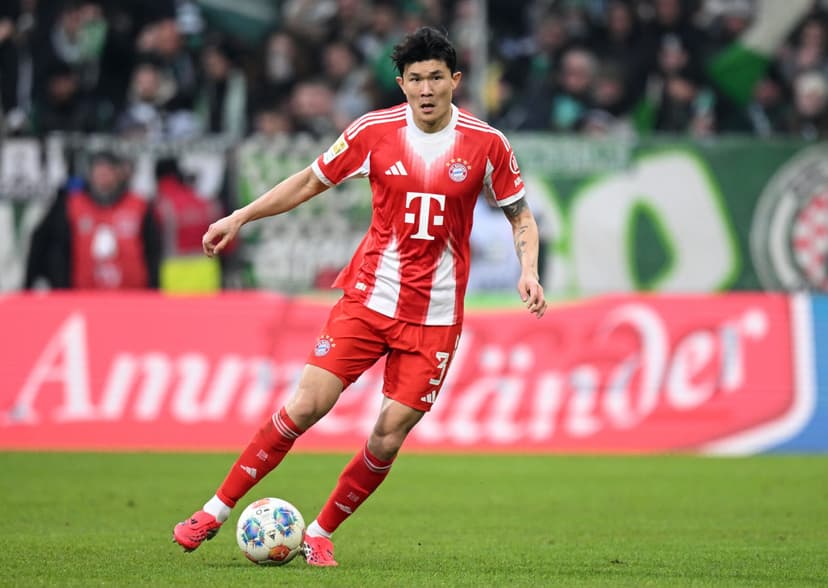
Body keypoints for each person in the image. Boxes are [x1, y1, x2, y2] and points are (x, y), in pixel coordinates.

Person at [171, 26, 548, 567]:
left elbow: (521, 216)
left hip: (435, 318)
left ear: (455, 80)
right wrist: (240, 216)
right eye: (415, 79)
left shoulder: (487, 143)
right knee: (306, 405)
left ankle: (320, 532)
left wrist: (528, 271)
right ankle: (214, 510)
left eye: (436, 78)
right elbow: (309, 181)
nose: (426, 89)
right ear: (401, 83)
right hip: (369, 300)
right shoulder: (374, 131)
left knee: (388, 437)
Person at [25, 150, 161, 290]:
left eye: (108, 171)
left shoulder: (139, 206)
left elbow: (153, 250)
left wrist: (153, 288)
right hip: (83, 292)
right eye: (99, 171)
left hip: (132, 293)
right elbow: (55, 249)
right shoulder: (72, 205)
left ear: (118, 174)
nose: (103, 176)